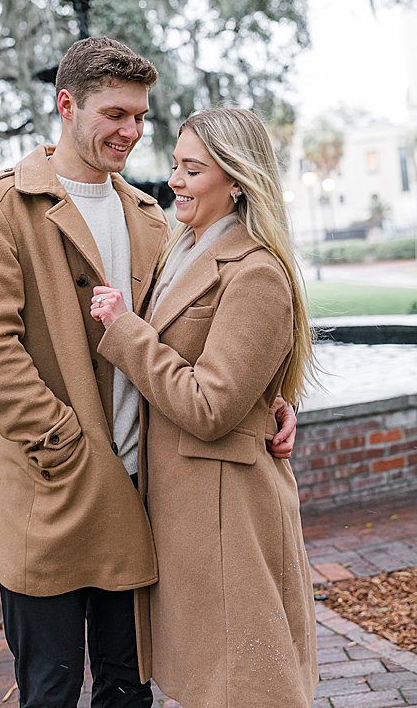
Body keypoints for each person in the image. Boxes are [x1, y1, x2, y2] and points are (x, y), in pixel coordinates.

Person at [0, 37, 297, 708]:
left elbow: (197, 334)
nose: (130, 132)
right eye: (114, 114)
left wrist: (271, 399)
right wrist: (65, 446)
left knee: (129, 689)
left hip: (141, 498)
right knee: (49, 690)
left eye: (139, 117)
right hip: (51, 490)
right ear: (67, 105)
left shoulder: (151, 217)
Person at [89, 108, 318, 707]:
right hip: (187, 508)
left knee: (247, 686)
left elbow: (211, 405)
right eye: (175, 166)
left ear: (236, 181)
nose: (175, 182)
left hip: (227, 513)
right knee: (210, 682)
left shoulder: (257, 272)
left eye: (192, 170)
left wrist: (125, 331)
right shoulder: (181, 248)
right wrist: (274, 400)